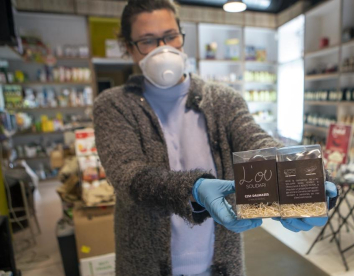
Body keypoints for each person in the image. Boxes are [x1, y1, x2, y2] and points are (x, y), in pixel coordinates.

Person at [93, 1, 338, 275]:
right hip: (145, 265)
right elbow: (128, 175)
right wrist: (194, 189)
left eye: (171, 35)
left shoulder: (222, 99)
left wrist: (308, 178)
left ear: (181, 36)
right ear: (128, 47)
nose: (164, 48)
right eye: (147, 40)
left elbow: (256, 140)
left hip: (220, 264)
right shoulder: (114, 105)